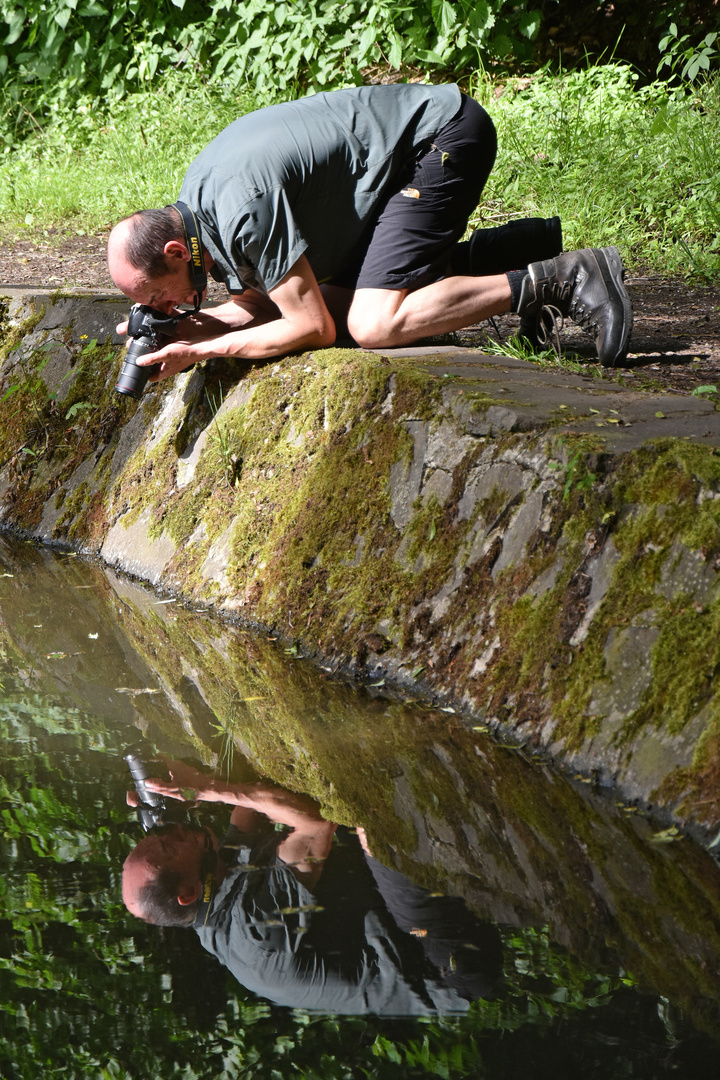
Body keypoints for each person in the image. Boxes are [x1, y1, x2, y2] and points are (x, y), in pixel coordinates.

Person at [107, 84, 633, 382]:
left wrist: (206, 352)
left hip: (440, 139)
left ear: (177, 251)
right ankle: (513, 253)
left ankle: (565, 278)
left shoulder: (240, 209)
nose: (165, 307)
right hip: (392, 168)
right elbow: (270, 302)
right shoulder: (199, 203)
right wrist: (193, 329)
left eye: (158, 298)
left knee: (374, 322)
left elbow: (312, 328)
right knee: (342, 301)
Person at [122, 759, 503, 1014]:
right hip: (443, 964)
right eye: (171, 846)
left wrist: (173, 786)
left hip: (394, 913)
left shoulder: (214, 886)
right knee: (374, 823)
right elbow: (317, 825)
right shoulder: (254, 932)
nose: (178, 833)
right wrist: (206, 790)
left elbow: (246, 809)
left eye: (161, 834)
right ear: (186, 892)